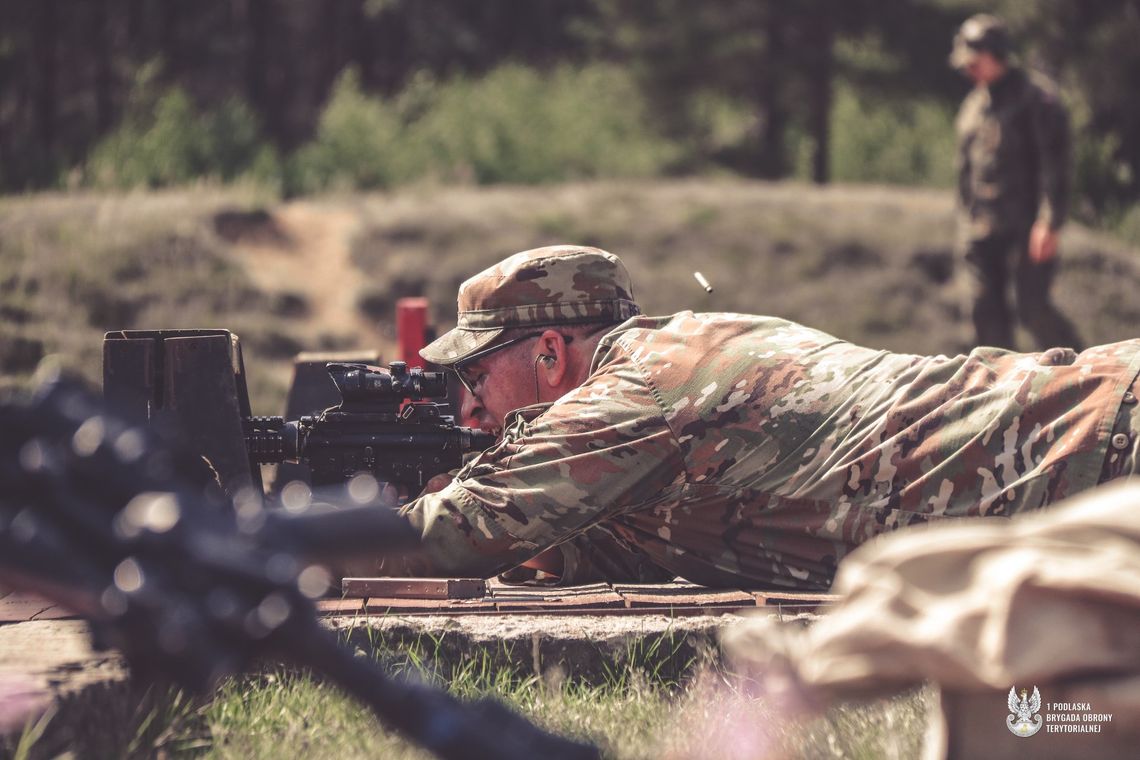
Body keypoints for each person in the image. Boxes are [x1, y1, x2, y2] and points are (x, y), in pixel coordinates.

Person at [369, 245, 1138, 590]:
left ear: (546, 352)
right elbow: (663, 538)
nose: (470, 402)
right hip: (1078, 446)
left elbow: (452, 539)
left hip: (1091, 446)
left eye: (475, 372)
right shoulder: (682, 355)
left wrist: (280, 539)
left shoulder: (639, 395)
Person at [951, 13, 1084, 352]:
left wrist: (1049, 221)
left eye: (974, 61)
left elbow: (1055, 164)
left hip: (1027, 226)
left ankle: (1087, 373)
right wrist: (965, 222)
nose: (968, 69)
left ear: (996, 53)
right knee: (984, 311)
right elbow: (965, 171)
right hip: (981, 228)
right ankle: (998, 389)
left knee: (1033, 310)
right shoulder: (972, 107)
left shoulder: (1036, 99)